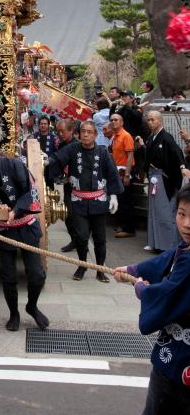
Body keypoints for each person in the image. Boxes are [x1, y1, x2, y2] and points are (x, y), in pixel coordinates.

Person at [114, 186, 190, 414]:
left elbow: (169, 291)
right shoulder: (186, 249)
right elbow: (168, 258)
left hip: (180, 359)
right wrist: (134, 269)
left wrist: (141, 288)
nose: (187, 223)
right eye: (182, 213)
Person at [0, 133, 48, 331]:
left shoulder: (14, 166)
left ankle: (32, 306)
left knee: (37, 274)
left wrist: (15, 210)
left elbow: (30, 192)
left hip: (25, 224)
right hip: (4, 231)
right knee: (8, 277)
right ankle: (13, 313)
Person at [49, 120, 123, 281]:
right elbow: (56, 160)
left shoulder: (103, 152)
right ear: (79, 133)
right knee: (81, 236)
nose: (86, 135)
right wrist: (52, 168)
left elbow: (112, 174)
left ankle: (100, 269)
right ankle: (82, 265)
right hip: (79, 201)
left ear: (96, 135)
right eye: (83, 131)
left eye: (90, 132)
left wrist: (114, 196)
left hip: (99, 200)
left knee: (100, 238)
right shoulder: (72, 149)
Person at [143, 111, 190, 253]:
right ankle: (154, 242)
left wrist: (182, 167)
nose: (150, 122)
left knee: (165, 212)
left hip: (164, 179)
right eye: (148, 120)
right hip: (154, 177)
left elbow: (178, 153)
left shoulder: (166, 137)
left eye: (153, 119)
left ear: (160, 121)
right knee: (154, 211)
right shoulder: (151, 138)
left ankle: (168, 245)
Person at [110, 113, 136, 238]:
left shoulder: (126, 136)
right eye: (112, 120)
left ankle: (129, 229)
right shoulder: (115, 136)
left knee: (126, 200)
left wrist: (127, 174)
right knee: (121, 199)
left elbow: (130, 156)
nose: (113, 122)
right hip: (117, 171)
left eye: (116, 120)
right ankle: (124, 225)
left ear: (122, 122)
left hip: (125, 171)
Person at [56, 119, 79, 252]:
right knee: (67, 214)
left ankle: (80, 242)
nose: (60, 134)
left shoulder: (77, 145)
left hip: (78, 186)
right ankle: (74, 240)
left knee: (75, 215)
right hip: (67, 184)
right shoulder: (62, 144)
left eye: (63, 131)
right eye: (58, 131)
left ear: (71, 131)